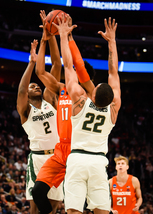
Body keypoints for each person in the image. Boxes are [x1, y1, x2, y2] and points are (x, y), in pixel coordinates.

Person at [54, 16, 121, 214]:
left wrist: (64, 37)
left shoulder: (80, 100)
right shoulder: (113, 109)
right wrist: (112, 43)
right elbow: (114, 71)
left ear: (94, 92)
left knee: (74, 210)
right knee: (101, 210)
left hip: (77, 159)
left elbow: (68, 66)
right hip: (99, 161)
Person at [32, 10, 95, 214]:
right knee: (38, 192)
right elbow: (41, 72)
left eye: (76, 72)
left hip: (80, 150)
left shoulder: (88, 95)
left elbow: (68, 62)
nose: (71, 72)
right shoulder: (61, 89)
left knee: (79, 203)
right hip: (61, 150)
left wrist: (65, 35)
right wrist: (45, 39)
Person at [16, 37, 62, 214]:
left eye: (37, 85)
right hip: (38, 159)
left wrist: (48, 38)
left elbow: (56, 65)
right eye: (32, 86)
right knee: (35, 207)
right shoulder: (25, 111)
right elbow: (21, 90)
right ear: (27, 95)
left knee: (53, 205)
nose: (35, 86)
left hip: (57, 158)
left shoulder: (49, 99)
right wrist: (31, 63)